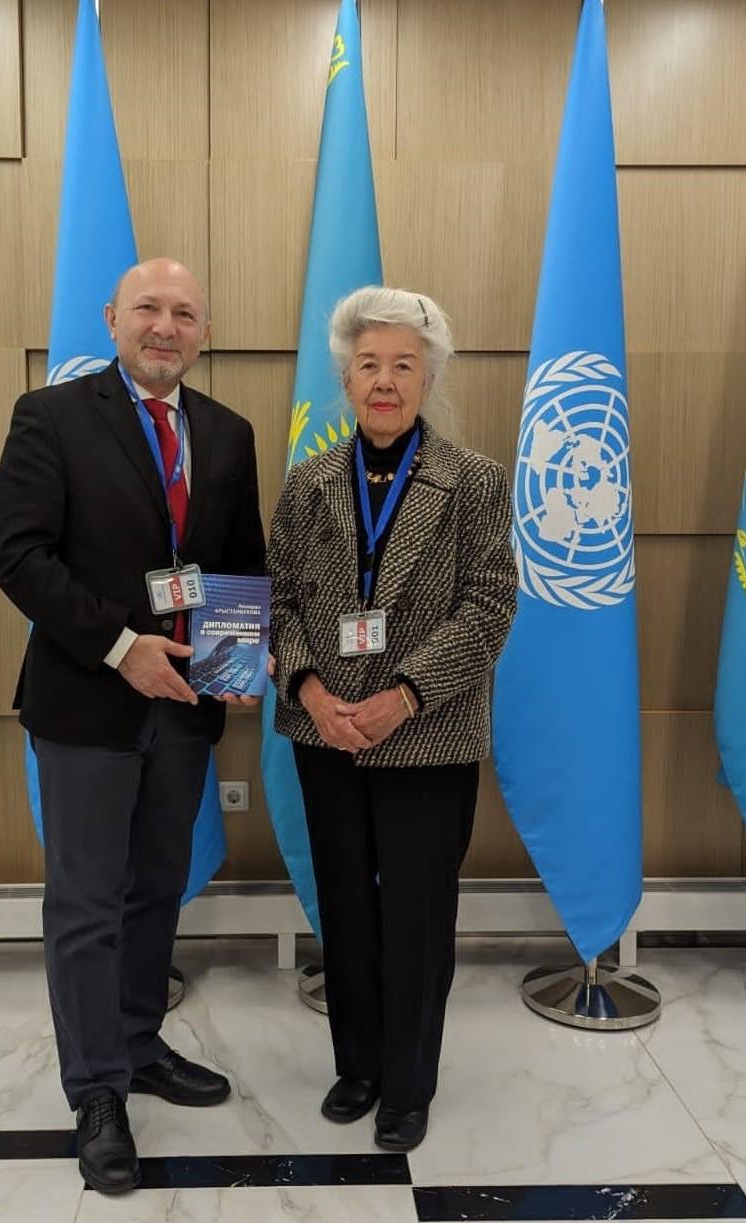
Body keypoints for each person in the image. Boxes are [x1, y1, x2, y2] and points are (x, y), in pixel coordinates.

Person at [0, 258, 266, 1193]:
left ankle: (139, 1041)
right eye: (148, 307)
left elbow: (236, 561)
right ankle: (98, 1091)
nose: (165, 326)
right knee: (85, 901)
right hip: (86, 703)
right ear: (112, 318)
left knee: (156, 886)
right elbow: (18, 555)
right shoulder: (51, 416)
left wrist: (233, 661)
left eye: (184, 313)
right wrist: (120, 647)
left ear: (203, 333)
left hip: (183, 709)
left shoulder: (226, 432)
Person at [268, 286, 517, 1152]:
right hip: (325, 730)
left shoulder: (475, 481)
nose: (384, 381)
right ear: (345, 378)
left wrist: (402, 696)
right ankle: (359, 1065)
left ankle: (407, 1085)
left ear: (427, 379)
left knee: (416, 915)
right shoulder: (307, 484)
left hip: (428, 732)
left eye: (402, 365)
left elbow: (489, 607)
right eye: (368, 364)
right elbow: (280, 599)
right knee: (344, 906)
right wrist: (310, 691)